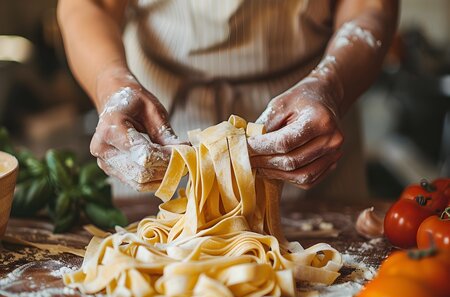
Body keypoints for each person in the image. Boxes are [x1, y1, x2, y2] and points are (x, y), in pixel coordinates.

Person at [57, 0, 398, 201]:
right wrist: (111, 83)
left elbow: (369, 6)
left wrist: (332, 87)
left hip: (307, 123)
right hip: (158, 127)